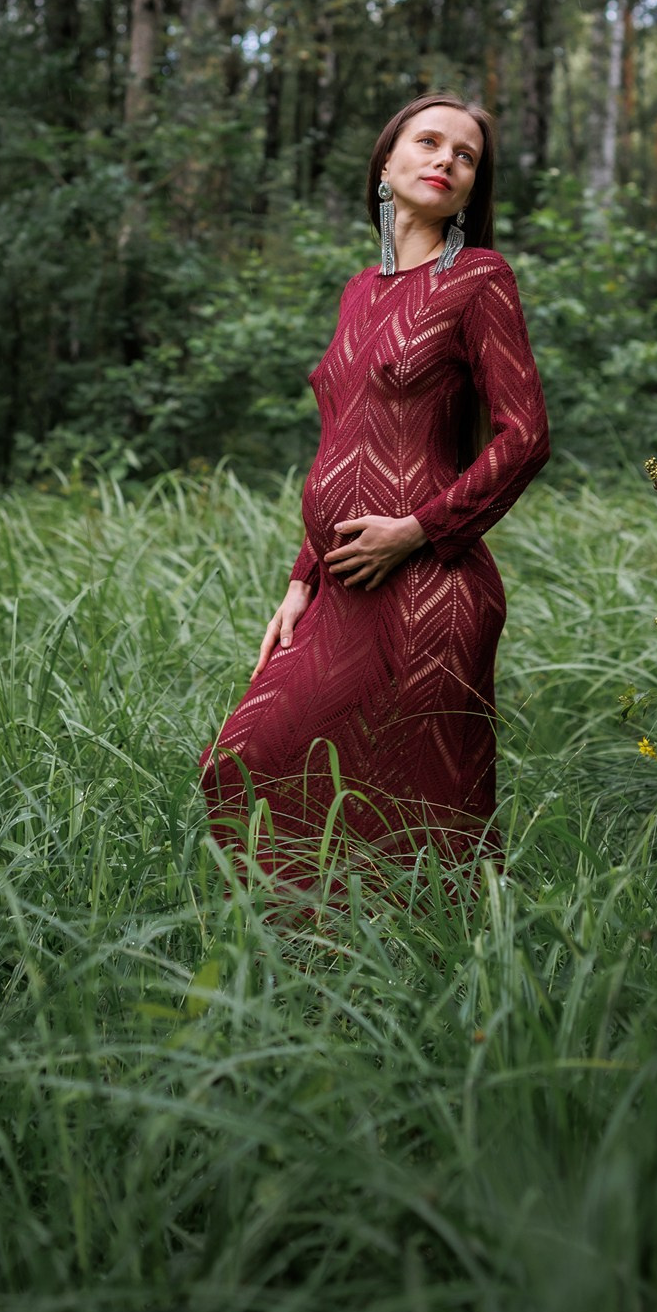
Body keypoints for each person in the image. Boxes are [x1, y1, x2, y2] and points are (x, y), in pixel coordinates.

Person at [200, 92, 550, 886]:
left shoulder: (480, 279)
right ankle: (309, 970)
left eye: (465, 156)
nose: (446, 160)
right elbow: (343, 442)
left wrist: (418, 530)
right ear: (385, 165)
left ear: (472, 187)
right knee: (243, 763)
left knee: (424, 817)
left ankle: (435, 975)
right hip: (340, 583)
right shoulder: (359, 290)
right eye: (428, 142)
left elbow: (524, 436)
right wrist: (301, 578)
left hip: (430, 584)